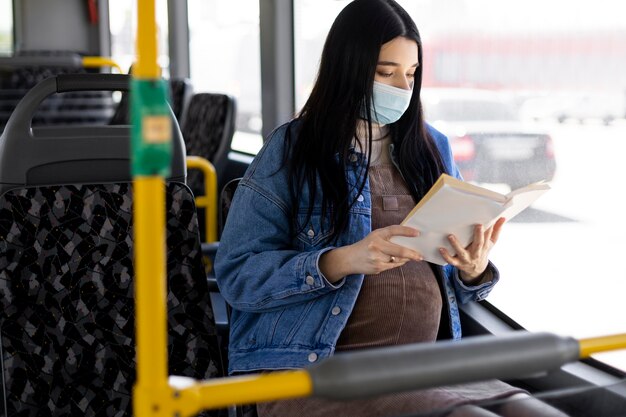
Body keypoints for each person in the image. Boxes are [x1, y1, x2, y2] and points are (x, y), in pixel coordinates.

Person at [214, 1, 568, 416]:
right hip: (317, 369)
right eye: (385, 73)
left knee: (541, 413)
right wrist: (344, 260)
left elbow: (451, 278)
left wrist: (472, 269)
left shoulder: (431, 147)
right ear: (348, 68)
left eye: (411, 73)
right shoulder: (290, 150)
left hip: (423, 367)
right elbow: (237, 276)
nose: (401, 86)